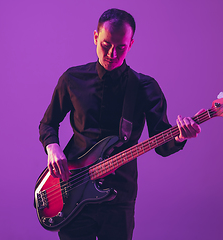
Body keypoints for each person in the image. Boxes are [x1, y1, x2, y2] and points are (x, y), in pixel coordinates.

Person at [39, 8, 202, 240]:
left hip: (119, 197)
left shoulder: (145, 88)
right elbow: (47, 124)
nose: (112, 53)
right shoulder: (72, 79)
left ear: (131, 44)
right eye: (106, 45)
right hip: (71, 190)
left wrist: (180, 136)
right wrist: (53, 147)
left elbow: (162, 144)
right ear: (96, 37)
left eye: (121, 47)